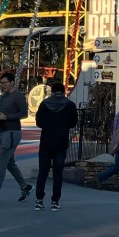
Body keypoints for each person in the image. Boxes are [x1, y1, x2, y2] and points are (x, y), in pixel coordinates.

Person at [0, 72, 32, 204]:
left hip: (12, 132)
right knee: (9, 163)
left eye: (4, 83)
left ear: (12, 82)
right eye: (1, 83)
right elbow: (2, 113)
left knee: (2, 162)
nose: (2, 85)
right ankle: (24, 186)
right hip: (4, 131)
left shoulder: (18, 96)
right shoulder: (4, 97)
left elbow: (24, 114)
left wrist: (7, 117)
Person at [34, 80, 78, 211]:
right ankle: (55, 201)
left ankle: (39, 200)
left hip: (46, 142)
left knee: (43, 172)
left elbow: (38, 122)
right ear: (64, 92)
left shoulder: (44, 104)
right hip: (61, 142)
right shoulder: (69, 105)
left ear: (52, 92)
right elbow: (73, 122)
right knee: (58, 173)